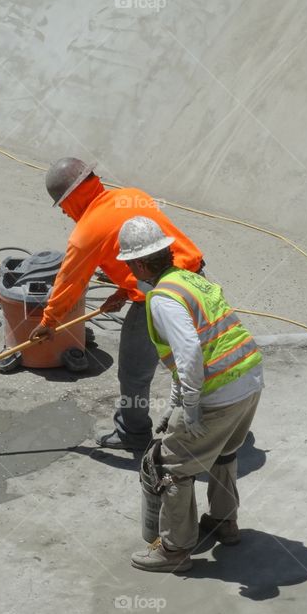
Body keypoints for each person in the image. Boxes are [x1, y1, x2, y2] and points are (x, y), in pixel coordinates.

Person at [117, 216, 263, 572]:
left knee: (170, 465)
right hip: (249, 379)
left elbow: (190, 354)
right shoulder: (191, 280)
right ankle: (224, 523)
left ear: (138, 263)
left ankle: (174, 549)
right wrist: (175, 404)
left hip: (218, 393)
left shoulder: (162, 299)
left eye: (127, 265)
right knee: (224, 451)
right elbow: (196, 351)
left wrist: (193, 407)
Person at [29, 158, 204, 450]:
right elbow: (154, 253)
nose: (62, 211)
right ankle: (217, 425)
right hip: (197, 285)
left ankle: (132, 435)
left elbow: (69, 283)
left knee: (134, 373)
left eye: (61, 204)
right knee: (204, 360)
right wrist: (124, 290)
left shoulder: (85, 233)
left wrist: (48, 323)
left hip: (158, 300)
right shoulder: (132, 195)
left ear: (71, 198)